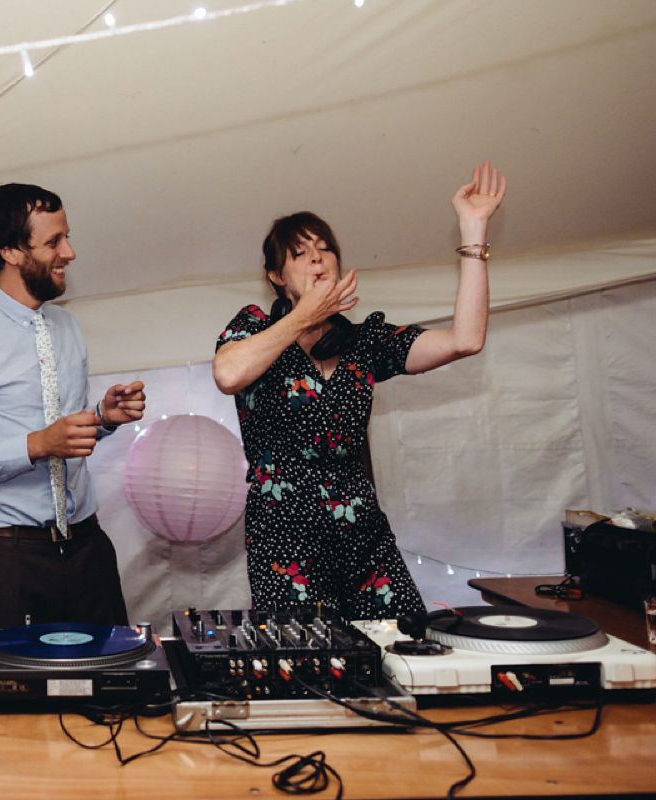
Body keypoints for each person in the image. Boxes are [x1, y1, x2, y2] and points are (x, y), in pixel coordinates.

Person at [212, 162, 506, 620]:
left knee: (408, 650)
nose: (317, 258)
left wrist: (473, 230)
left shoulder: (364, 342)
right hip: (285, 543)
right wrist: (301, 317)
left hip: (364, 538)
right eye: (300, 253)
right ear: (276, 276)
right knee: (309, 669)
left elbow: (465, 339)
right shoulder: (254, 327)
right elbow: (229, 374)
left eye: (326, 249)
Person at [0, 183, 146, 630]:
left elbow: (66, 433)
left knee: (112, 690)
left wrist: (102, 417)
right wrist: (38, 444)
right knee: (16, 700)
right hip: (7, 559)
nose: (70, 252)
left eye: (67, 237)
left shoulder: (66, 326)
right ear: (10, 251)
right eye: (53, 242)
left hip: (86, 546)